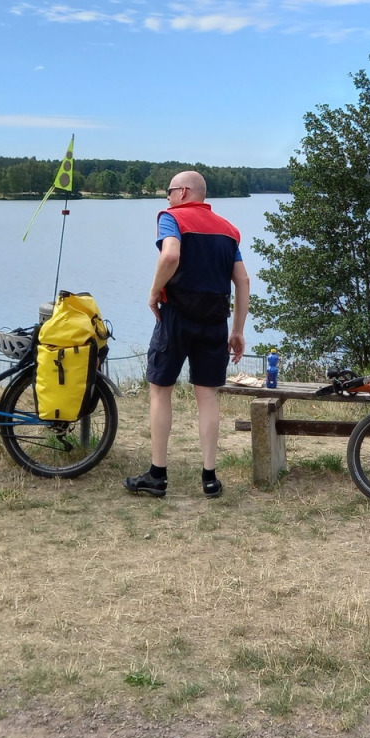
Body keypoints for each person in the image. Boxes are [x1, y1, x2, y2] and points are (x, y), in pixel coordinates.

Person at [125, 170, 249, 498]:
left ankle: (157, 475)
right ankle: (209, 478)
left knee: (160, 390)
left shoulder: (172, 218)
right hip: (215, 321)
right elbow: (243, 281)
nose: (166, 197)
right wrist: (237, 330)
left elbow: (170, 255)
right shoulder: (229, 230)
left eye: (168, 191)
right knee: (207, 395)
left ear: (182, 192)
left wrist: (154, 291)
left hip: (176, 318)